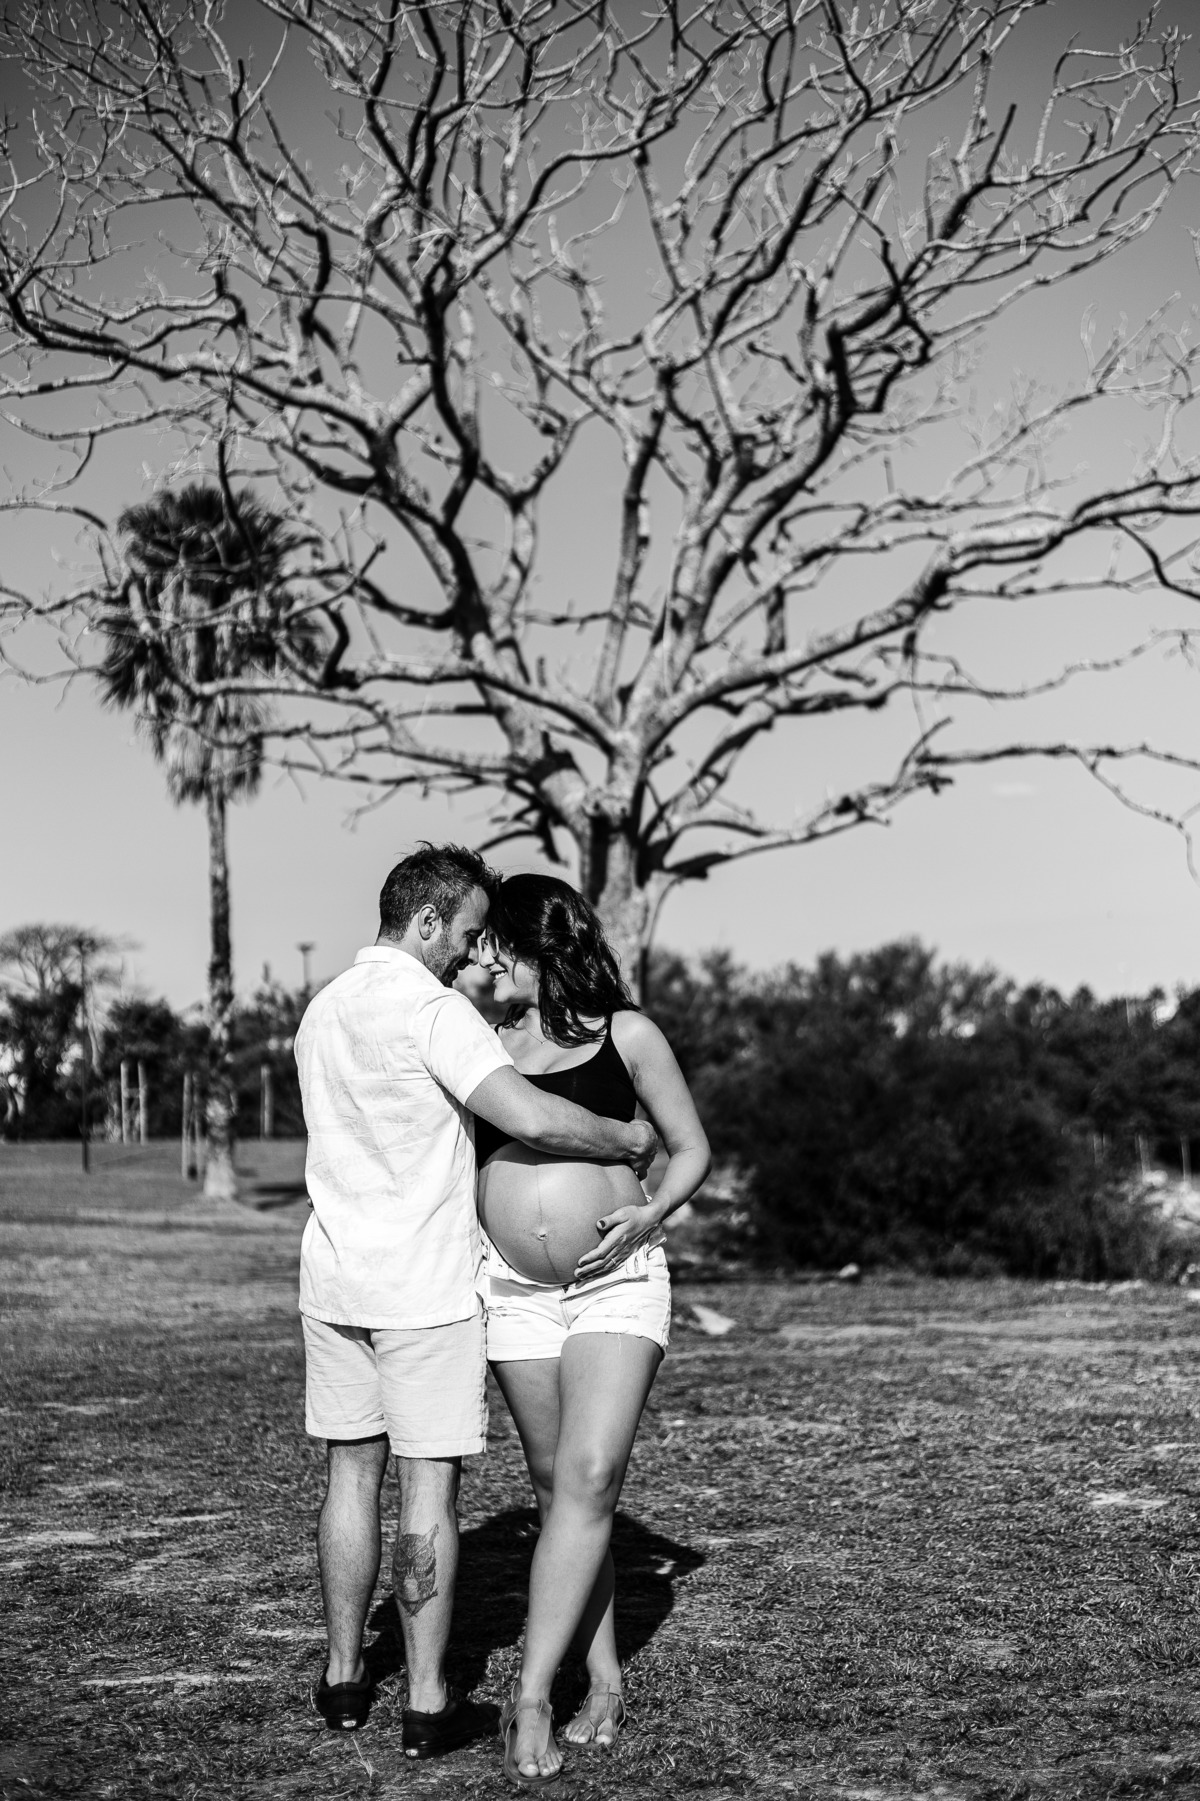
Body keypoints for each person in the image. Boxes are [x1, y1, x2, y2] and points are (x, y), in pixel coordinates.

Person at [294, 845, 657, 1758]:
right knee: (427, 1485)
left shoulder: (322, 1010)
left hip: (333, 1278)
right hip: (423, 1285)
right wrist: (623, 1137)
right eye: (462, 932)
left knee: (350, 1475)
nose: (468, 952)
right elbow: (529, 1114)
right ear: (427, 921)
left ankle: (344, 1678)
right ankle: (426, 1701)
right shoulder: (434, 1011)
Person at [474, 874, 711, 1789]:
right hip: (515, 1292)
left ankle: (531, 1693)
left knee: (590, 1473)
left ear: (542, 945)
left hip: (616, 1282)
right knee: (558, 1486)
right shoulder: (484, 1043)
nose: (485, 959)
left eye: (497, 943)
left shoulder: (628, 1034)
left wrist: (651, 1214)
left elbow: (690, 1147)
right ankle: (604, 1676)